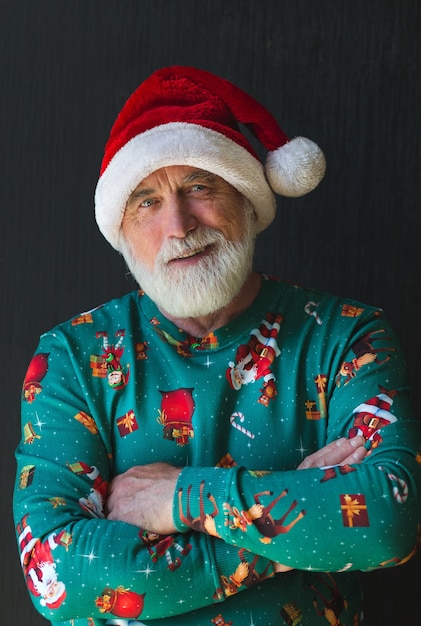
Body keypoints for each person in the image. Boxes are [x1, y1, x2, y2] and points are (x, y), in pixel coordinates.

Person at [13, 65, 421, 626]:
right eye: (146, 202)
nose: (178, 225)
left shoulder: (348, 335)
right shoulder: (72, 358)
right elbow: (58, 575)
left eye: (199, 186)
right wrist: (293, 517)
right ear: (122, 230)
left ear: (247, 200)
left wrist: (178, 497)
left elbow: (390, 522)